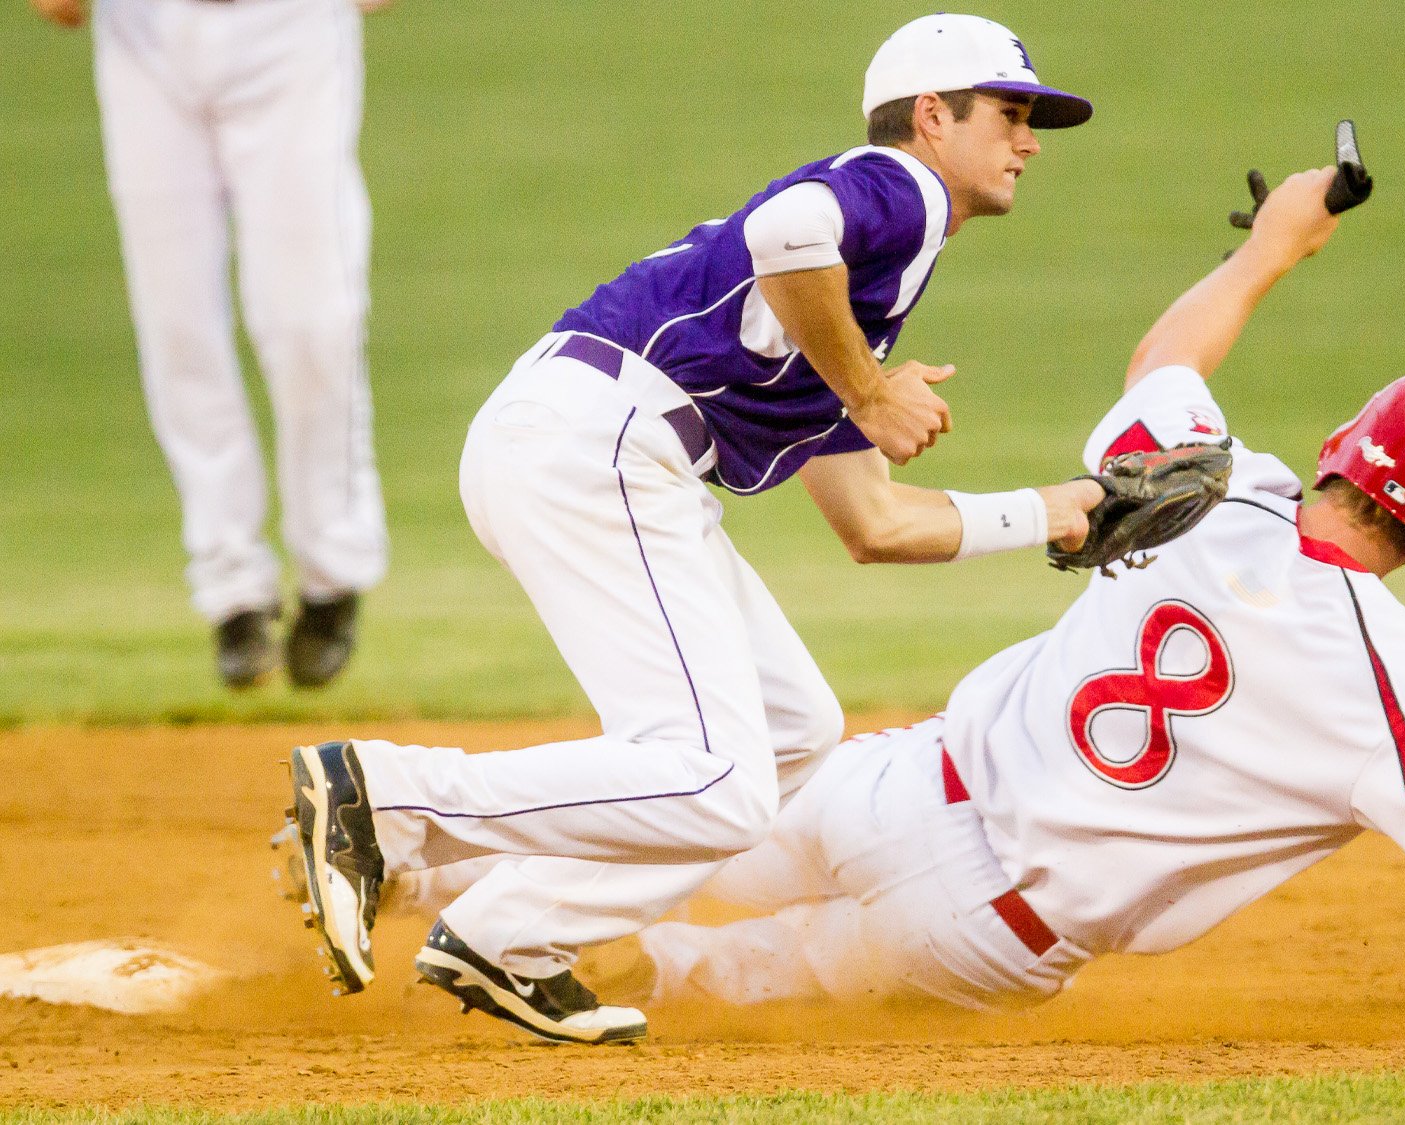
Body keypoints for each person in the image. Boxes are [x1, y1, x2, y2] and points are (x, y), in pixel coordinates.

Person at [563, 167, 1405, 1020]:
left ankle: (427, 879)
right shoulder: (1401, 680)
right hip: (983, 932)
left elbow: (1162, 365)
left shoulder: (1221, 487)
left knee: (646, 846)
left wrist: (1273, 246)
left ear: (1339, 449)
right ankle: (652, 970)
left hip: (897, 785)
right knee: (713, 989)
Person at [286, 14, 1106, 1043]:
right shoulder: (901, 188)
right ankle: (386, 799)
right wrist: (867, 394)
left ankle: (508, 935)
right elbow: (787, 230)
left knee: (791, 733)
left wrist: (1052, 512)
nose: (1029, 140)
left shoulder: (856, 297)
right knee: (715, 777)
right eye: (1011, 113)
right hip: (599, 441)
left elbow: (875, 522)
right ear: (933, 116)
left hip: (590, 445)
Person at [29, 0, 391, 689]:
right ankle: (231, 589)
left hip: (287, 27)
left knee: (310, 321)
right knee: (175, 322)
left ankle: (333, 571)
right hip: (143, 33)